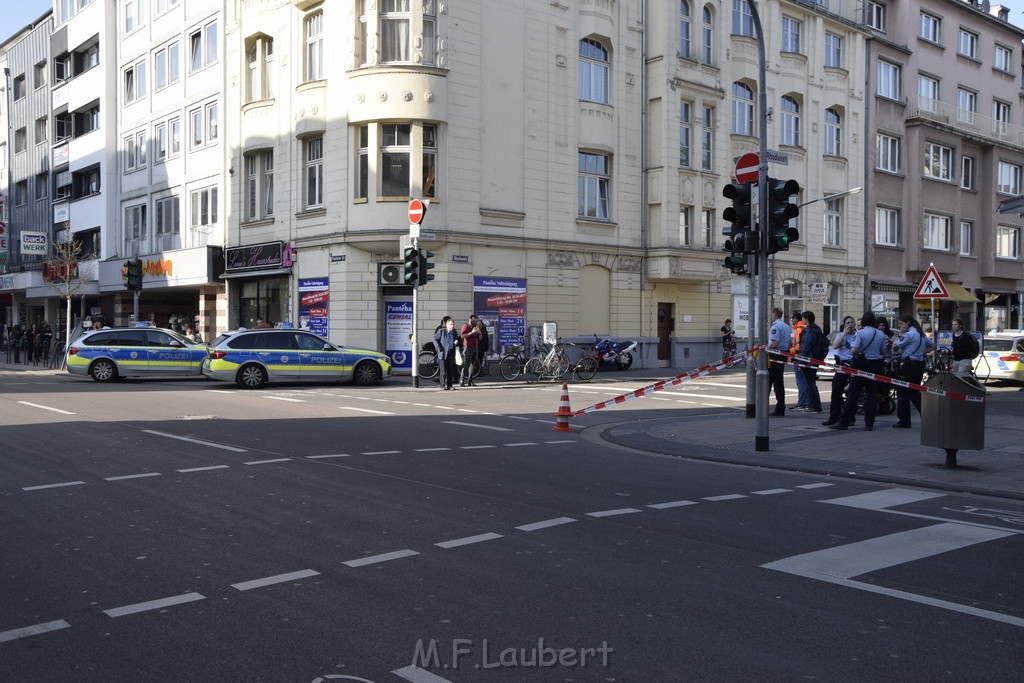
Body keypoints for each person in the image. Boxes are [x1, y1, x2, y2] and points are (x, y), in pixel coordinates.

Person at [830, 312, 886, 431]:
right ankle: (869, 423)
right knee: (871, 395)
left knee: (853, 394)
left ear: (864, 321)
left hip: (861, 365)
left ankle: (844, 422)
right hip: (875, 365)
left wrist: (859, 353)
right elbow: (883, 352)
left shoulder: (860, 333)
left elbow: (854, 350)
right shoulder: (880, 334)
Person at [891, 314, 934, 429]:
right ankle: (927, 417)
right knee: (914, 393)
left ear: (907, 324)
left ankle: (904, 421)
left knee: (903, 392)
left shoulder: (908, 335)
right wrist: (921, 353)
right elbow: (933, 346)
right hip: (918, 365)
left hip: (908, 365)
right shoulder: (921, 334)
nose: (899, 326)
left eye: (901, 324)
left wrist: (900, 335)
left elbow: (894, 347)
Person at [822, 315, 858, 427]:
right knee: (836, 390)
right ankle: (834, 416)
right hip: (842, 365)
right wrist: (844, 334)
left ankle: (850, 418)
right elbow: (836, 345)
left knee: (852, 393)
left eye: (852, 322)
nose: (850, 324)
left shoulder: (857, 335)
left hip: (853, 365)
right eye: (848, 323)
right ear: (844, 325)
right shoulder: (840, 335)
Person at [766, 308, 792, 416]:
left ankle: (763, 406)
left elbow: (774, 343)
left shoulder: (776, 326)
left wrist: (766, 349)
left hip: (774, 355)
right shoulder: (787, 327)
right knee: (779, 382)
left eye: (771, 314)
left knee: (768, 382)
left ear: (775, 314)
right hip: (783, 354)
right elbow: (790, 344)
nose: (771, 316)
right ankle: (780, 407)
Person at [797, 311, 823, 413]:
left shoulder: (808, 331)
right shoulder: (817, 329)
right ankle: (816, 405)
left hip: (808, 360)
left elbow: (805, 348)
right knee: (812, 383)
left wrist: (800, 362)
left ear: (806, 319)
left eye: (803, 318)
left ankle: (814, 406)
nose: (802, 320)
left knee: (809, 384)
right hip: (815, 359)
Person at [789, 311, 808, 410]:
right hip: (805, 358)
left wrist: (790, 351)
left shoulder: (798, 330)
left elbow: (797, 346)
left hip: (798, 357)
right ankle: (807, 402)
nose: (792, 321)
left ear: (797, 319)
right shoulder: (805, 328)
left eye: (793, 319)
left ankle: (801, 403)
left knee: (800, 382)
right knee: (806, 382)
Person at [433, 316, 458, 390]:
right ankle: (442, 385)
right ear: (447, 325)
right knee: (443, 370)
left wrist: (456, 342)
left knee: (450, 370)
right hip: (443, 353)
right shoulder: (442, 331)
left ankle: (449, 385)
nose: (452, 326)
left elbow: (457, 339)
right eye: (451, 324)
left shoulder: (454, 333)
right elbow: (434, 338)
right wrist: (439, 348)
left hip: (451, 353)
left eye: (453, 324)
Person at [459, 314, 482, 387]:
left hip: (475, 348)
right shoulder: (465, 326)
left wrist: (479, 333)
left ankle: (470, 380)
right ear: (469, 320)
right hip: (468, 348)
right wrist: (471, 333)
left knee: (472, 365)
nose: (474, 322)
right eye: (473, 321)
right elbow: (462, 336)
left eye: (475, 321)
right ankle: (462, 380)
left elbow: (480, 338)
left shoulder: (475, 327)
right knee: (466, 365)